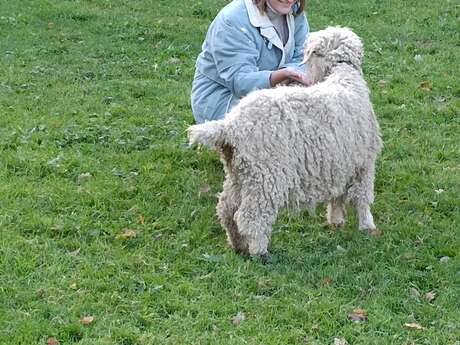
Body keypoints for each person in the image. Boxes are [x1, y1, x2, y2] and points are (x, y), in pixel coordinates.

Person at [191, 0, 310, 124]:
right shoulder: (232, 20)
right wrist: (284, 75)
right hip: (225, 99)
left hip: (275, 91)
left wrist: (291, 77)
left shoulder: (293, 11)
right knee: (284, 126)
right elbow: (241, 81)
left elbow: (303, 57)